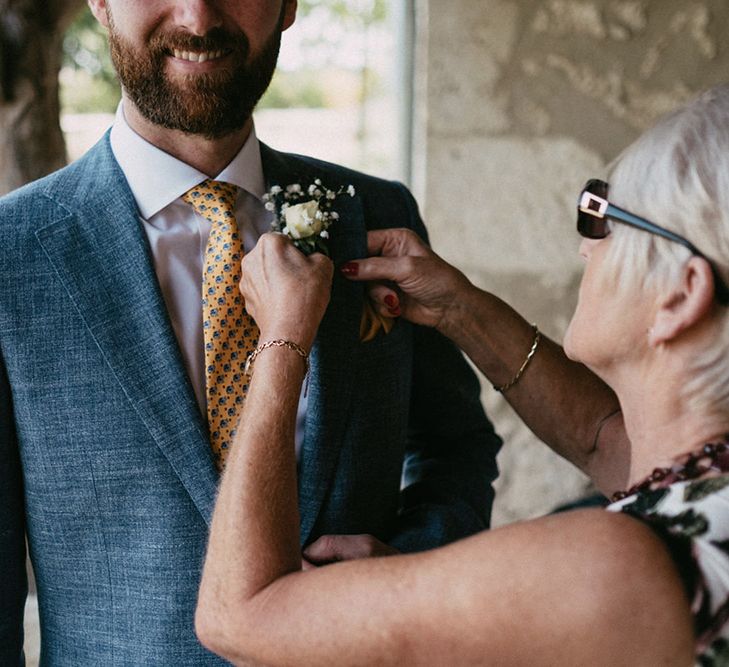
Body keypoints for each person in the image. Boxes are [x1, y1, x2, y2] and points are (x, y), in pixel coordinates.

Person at [0, 1, 507, 664]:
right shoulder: (14, 254)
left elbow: (454, 447)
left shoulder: (376, 214)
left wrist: (407, 568)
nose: (197, 15)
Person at [196, 85, 729, 665]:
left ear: (681, 295)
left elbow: (239, 617)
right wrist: (460, 308)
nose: (584, 247)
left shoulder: (610, 566)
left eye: (602, 216)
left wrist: (282, 337)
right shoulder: (706, 486)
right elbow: (605, 437)